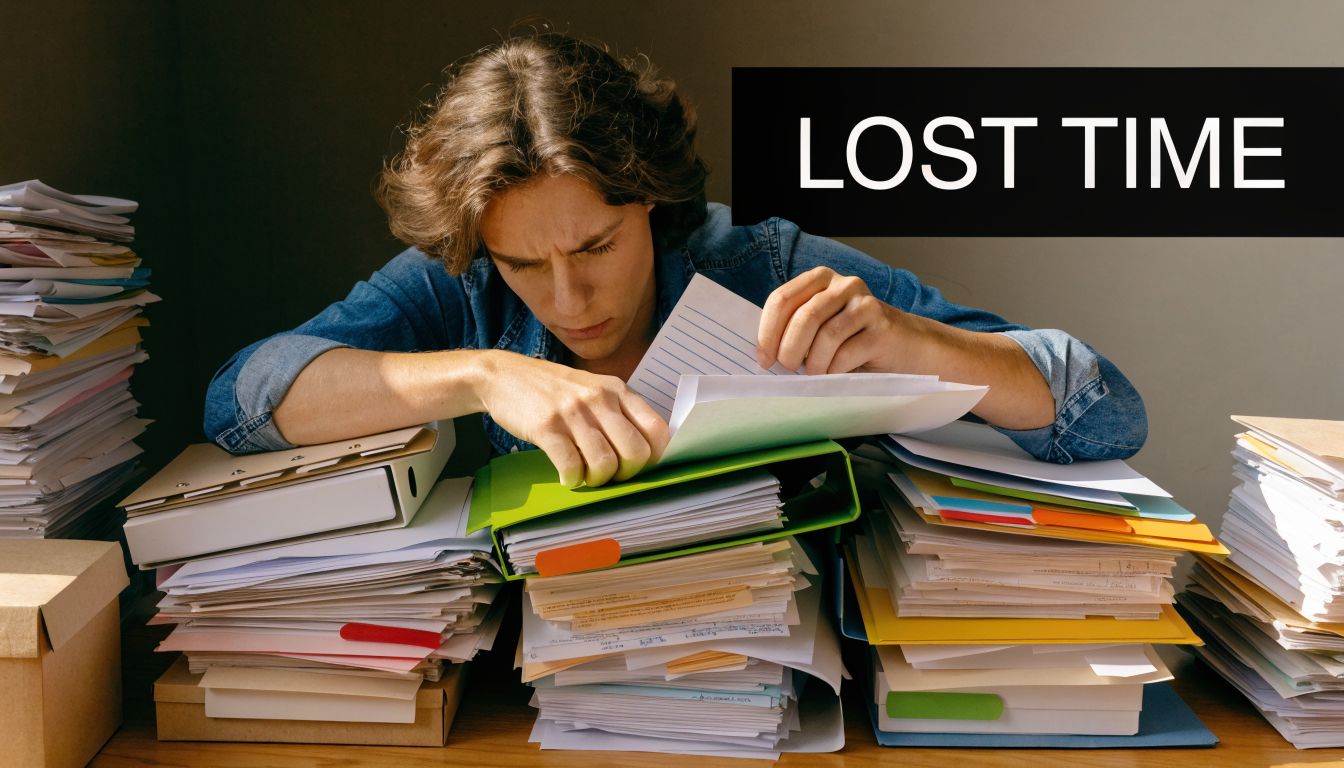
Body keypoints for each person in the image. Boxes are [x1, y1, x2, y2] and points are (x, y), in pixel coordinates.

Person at [203, 32, 1147, 488]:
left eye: (596, 246)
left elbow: (1107, 416)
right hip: (542, 690)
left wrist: (911, 340)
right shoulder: (463, 288)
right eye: (527, 265)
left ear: (649, 197)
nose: (568, 297)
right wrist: (487, 376)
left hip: (787, 690)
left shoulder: (759, 262)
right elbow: (242, 399)